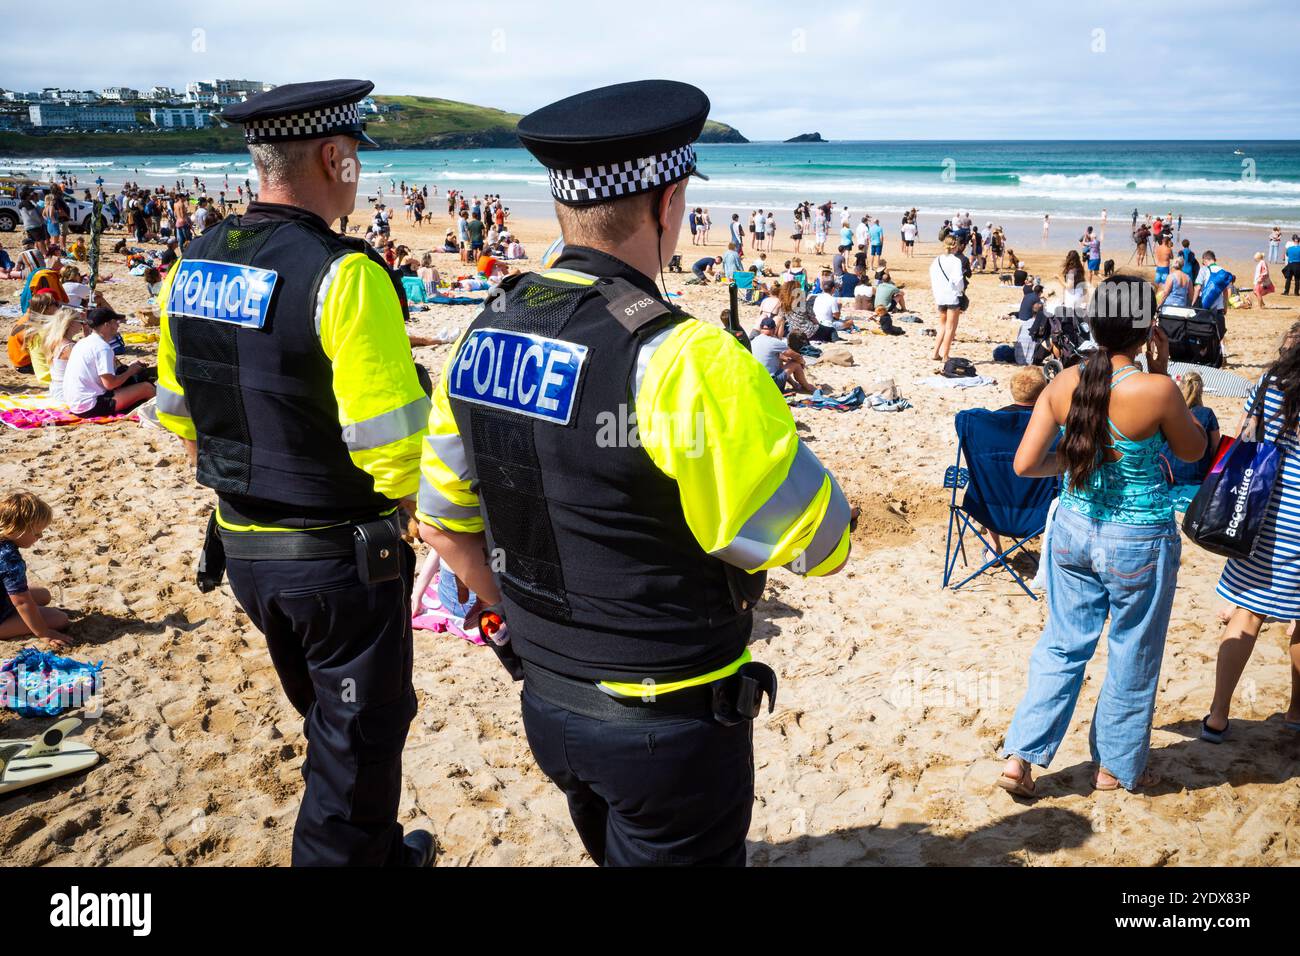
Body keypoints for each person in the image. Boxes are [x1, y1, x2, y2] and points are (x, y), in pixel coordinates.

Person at [413, 80, 854, 867]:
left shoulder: (484, 329)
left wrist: (520, 618)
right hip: (668, 721)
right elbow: (817, 541)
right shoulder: (687, 356)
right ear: (669, 201)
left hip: (549, 700)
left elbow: (443, 521)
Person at [153, 79, 435, 868]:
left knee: (332, 721)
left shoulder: (193, 263)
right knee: (360, 737)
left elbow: (178, 411)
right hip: (335, 556)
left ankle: (375, 850)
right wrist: (429, 524)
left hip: (242, 545)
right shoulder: (343, 274)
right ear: (334, 156)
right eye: (355, 162)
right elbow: (391, 443)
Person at [997, 277, 1207, 796]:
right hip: (1137, 538)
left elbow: (1026, 465)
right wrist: (1162, 372)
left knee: (1063, 645)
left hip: (1071, 528)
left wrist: (1073, 457)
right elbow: (1193, 451)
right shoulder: (1155, 390)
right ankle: (1114, 767)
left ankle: (1021, 756)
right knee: (1133, 652)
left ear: (1093, 325)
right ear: (1148, 329)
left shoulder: (1064, 382)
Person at [1204, 337, 1300, 743]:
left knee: (1246, 612)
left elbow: (1246, 434)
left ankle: (1218, 715)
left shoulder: (1268, 383)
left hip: (1259, 513)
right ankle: (1297, 712)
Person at [0, 493, 72, 648]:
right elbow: (21, 601)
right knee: (60, 619)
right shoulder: (8, 558)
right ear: (15, 530)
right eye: (37, 533)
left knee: (44, 594)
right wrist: (43, 632)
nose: (40, 536)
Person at [1159, 372, 1219, 491]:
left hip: (1166, 470)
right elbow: (1215, 448)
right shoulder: (1207, 413)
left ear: (1181, 387)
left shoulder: (1170, 408)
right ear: (1201, 391)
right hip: (1194, 475)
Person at [929, 236, 966, 363]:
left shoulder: (936, 260)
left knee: (942, 326)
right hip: (952, 296)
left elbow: (933, 277)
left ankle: (935, 353)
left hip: (940, 296)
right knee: (950, 327)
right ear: (955, 247)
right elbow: (959, 280)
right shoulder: (956, 261)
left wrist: (937, 293)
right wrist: (960, 291)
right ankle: (945, 355)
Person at [752, 318, 813, 393]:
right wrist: (802, 363)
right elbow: (797, 356)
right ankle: (807, 387)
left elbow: (770, 356)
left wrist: (786, 360)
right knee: (795, 363)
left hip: (757, 383)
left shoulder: (753, 340)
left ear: (761, 329)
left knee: (779, 362)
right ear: (774, 329)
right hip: (770, 384)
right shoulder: (774, 342)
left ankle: (794, 384)